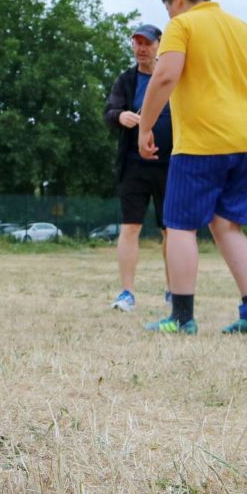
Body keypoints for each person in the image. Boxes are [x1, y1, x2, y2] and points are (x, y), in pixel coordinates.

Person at [137, 0, 247, 335]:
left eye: (169, 8)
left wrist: (145, 125)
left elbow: (166, 75)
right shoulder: (244, 29)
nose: (170, 14)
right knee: (227, 225)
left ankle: (181, 317)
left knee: (180, 226)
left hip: (203, 143)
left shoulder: (182, 25)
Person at [103, 23, 172, 312]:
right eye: (137, 43)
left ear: (159, 46)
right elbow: (109, 111)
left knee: (171, 230)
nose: (142, 49)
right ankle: (127, 293)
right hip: (133, 165)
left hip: (171, 165)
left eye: (148, 43)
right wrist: (121, 117)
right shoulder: (126, 80)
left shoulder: (171, 77)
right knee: (130, 227)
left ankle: (174, 291)